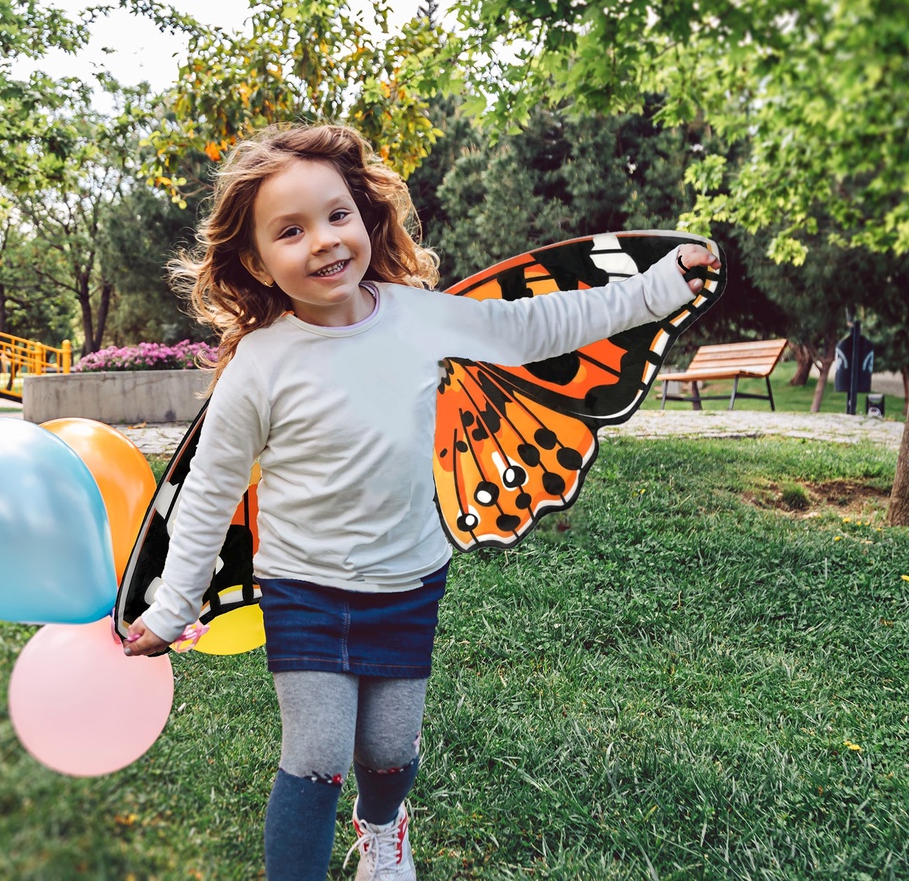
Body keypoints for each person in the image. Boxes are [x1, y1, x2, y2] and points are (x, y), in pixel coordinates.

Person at [122, 122, 719, 880]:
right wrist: (172, 608)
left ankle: (382, 830)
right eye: (291, 231)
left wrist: (659, 287)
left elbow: (540, 324)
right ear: (256, 261)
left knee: (388, 750)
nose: (325, 242)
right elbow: (209, 493)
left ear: (365, 217)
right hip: (304, 589)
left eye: (337, 216)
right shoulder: (260, 367)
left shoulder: (419, 315)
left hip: (407, 582)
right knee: (316, 756)